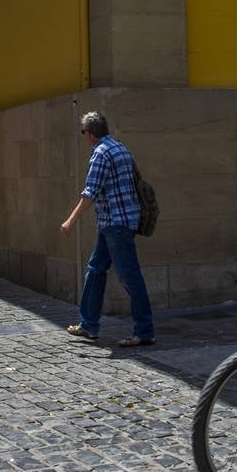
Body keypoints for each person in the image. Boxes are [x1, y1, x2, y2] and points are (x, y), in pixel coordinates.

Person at [61, 111, 155, 347]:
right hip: (116, 221)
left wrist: (70, 221)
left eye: (83, 133)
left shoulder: (101, 154)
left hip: (116, 223)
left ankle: (144, 331)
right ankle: (89, 325)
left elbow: (90, 192)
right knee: (95, 270)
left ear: (89, 134)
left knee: (130, 276)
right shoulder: (119, 147)